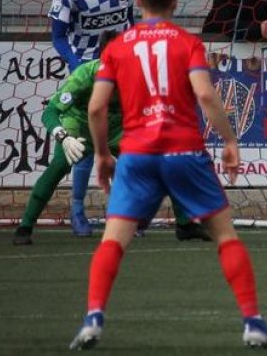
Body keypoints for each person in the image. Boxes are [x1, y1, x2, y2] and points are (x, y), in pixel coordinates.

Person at [70, 0, 267, 350]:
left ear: (138, 2)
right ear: (174, 2)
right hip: (184, 151)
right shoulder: (188, 43)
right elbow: (205, 95)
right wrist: (230, 139)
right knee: (224, 236)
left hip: (136, 155)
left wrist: (103, 154)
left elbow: (97, 108)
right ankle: (252, 321)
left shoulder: (117, 47)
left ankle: (93, 318)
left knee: (114, 240)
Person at [13, 33, 208, 246]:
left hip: (117, 129)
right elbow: (49, 112)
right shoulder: (84, 75)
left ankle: (185, 225)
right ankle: (25, 226)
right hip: (79, 126)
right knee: (59, 165)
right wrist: (63, 136)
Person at [48, 0, 136, 237]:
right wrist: (76, 65)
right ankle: (77, 210)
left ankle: (126, 214)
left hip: (124, 70)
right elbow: (57, 36)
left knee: (129, 142)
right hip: (88, 70)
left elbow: (129, 20)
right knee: (85, 144)